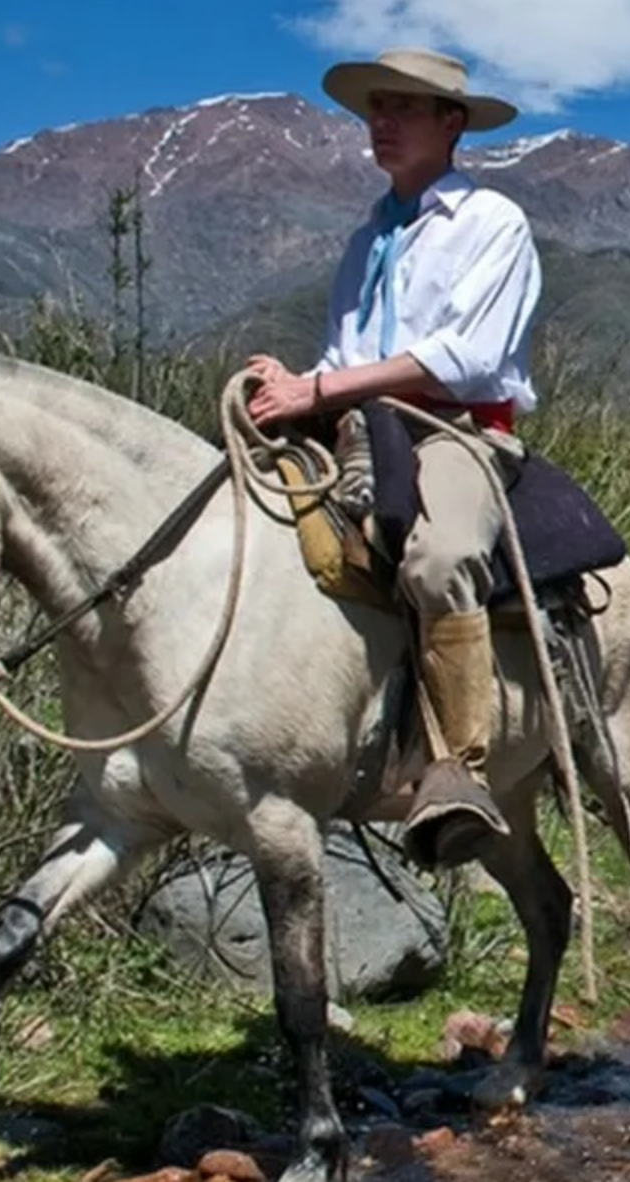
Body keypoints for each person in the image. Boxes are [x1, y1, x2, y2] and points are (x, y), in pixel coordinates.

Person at [241, 48, 544, 868]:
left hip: (454, 431)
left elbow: (466, 356)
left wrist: (323, 387)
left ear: (454, 124)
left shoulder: (492, 224)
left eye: (404, 108)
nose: (382, 122)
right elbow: (342, 352)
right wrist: (295, 387)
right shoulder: (365, 240)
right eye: (376, 108)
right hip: (356, 427)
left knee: (441, 557)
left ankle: (458, 769)